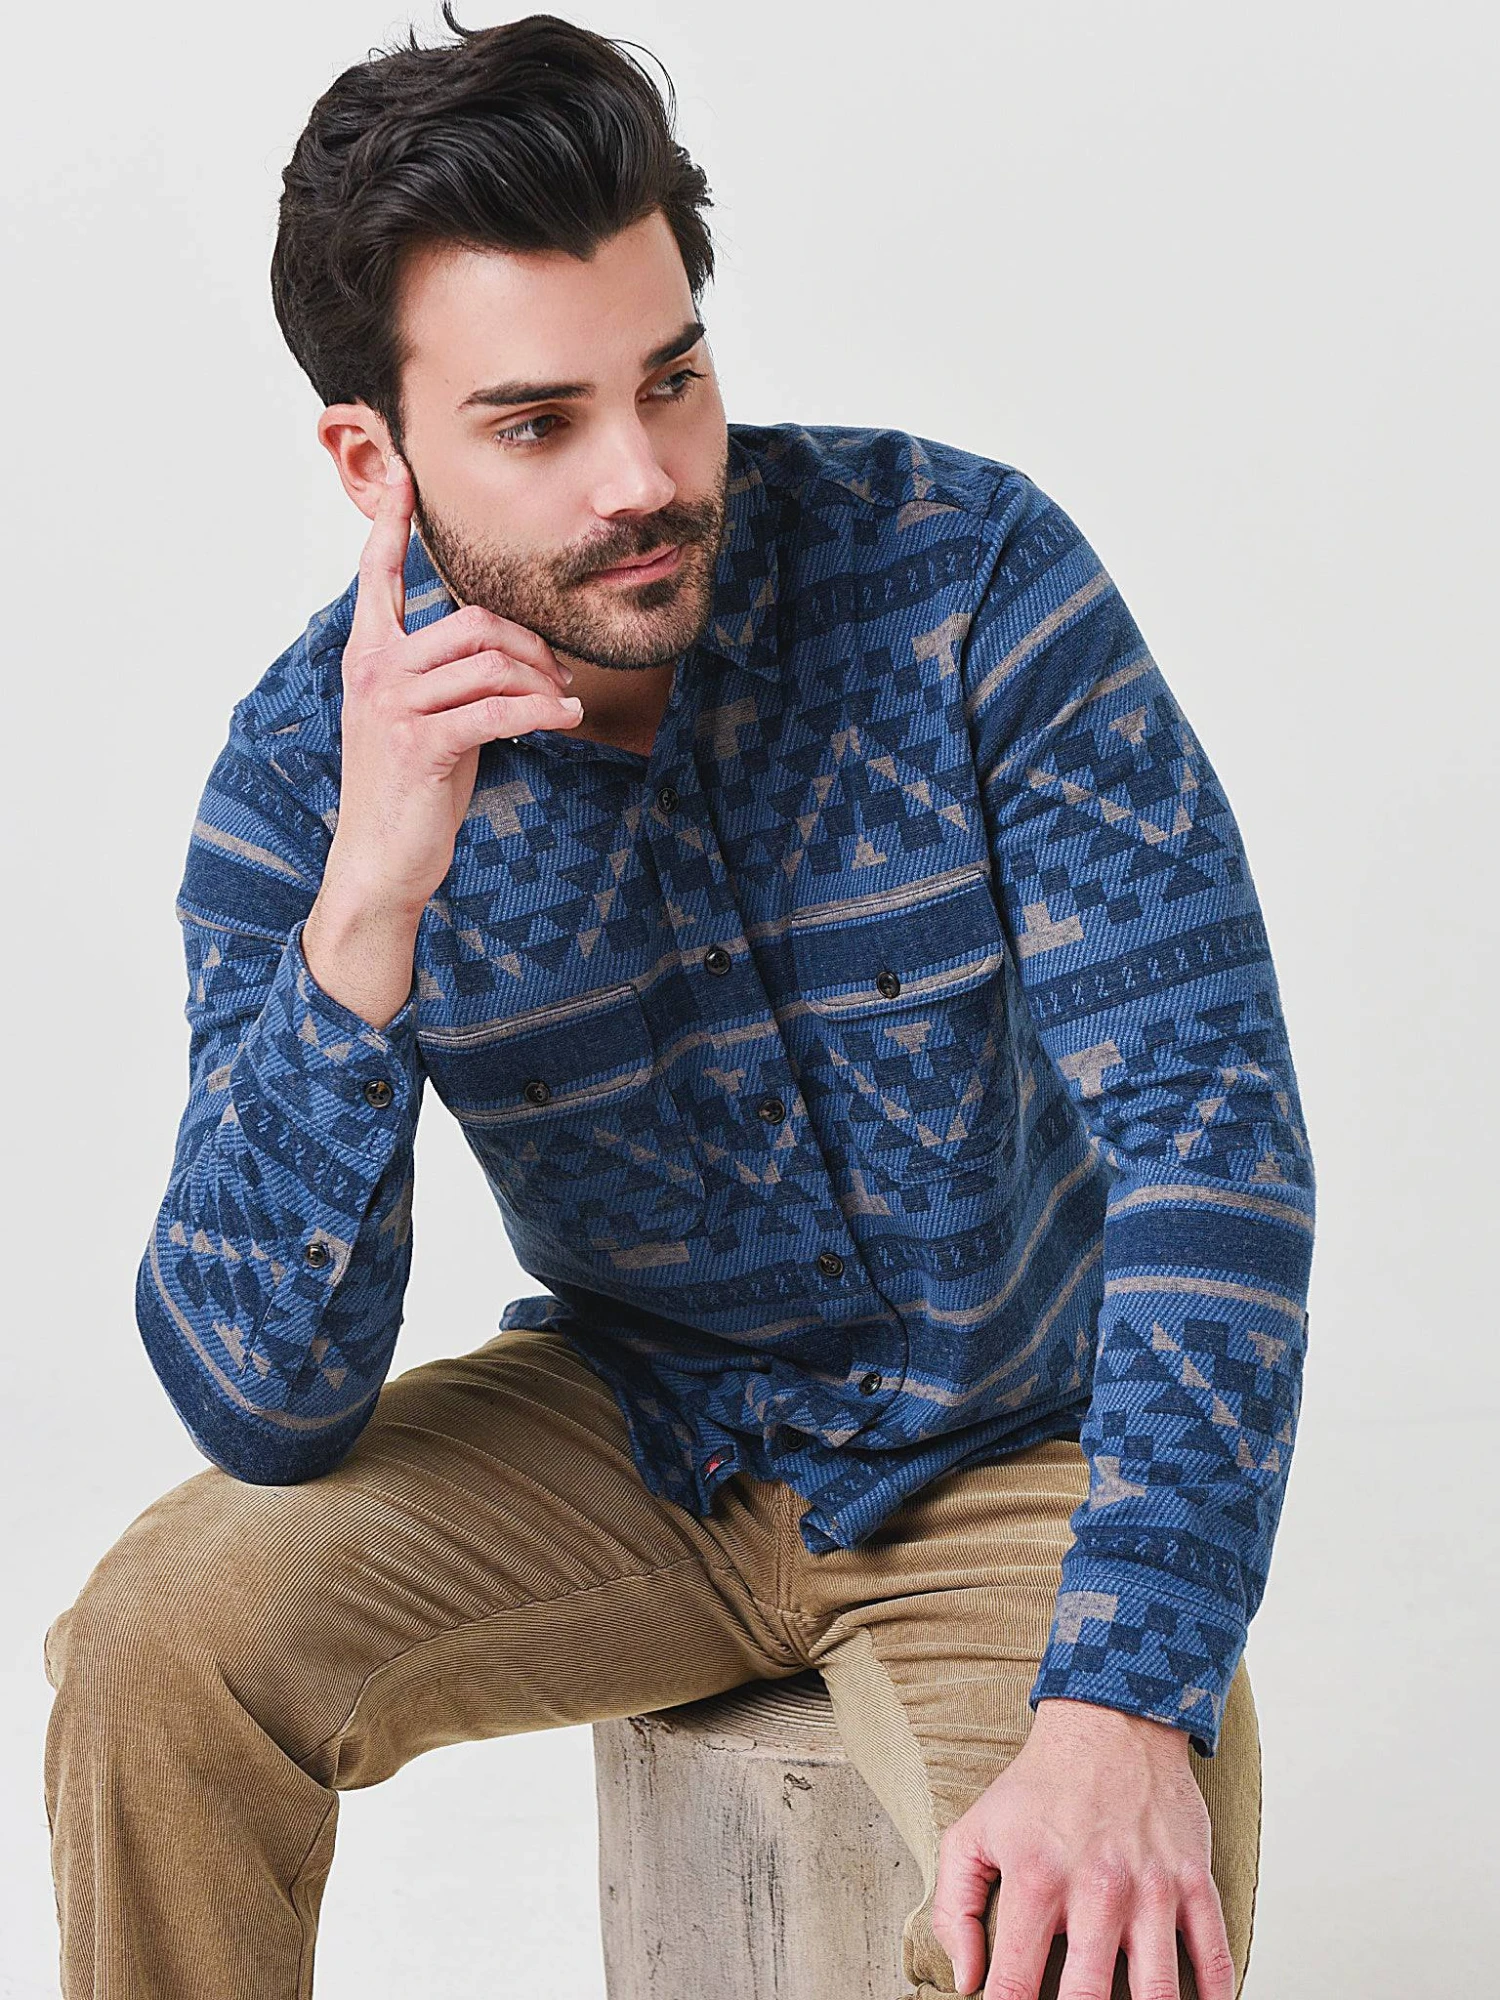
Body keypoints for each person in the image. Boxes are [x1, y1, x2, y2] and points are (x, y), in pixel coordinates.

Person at [41, 10, 1316, 1998]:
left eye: (674, 379)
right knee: (158, 1643)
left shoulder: (965, 580)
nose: (646, 477)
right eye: (538, 425)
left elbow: (1208, 1144)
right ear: (373, 459)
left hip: (1021, 1446)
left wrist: (1126, 1691)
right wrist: (369, 910)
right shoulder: (309, 776)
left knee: (1086, 1940)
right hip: (638, 1435)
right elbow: (260, 1402)